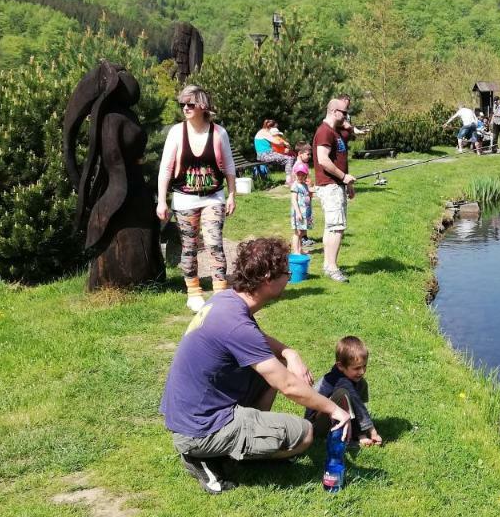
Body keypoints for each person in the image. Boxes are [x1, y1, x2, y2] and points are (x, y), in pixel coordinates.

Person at [160, 237, 352, 494]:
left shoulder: (228, 299)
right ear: (267, 279)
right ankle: (207, 455)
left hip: (193, 413)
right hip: (198, 428)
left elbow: (258, 342)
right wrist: (333, 410)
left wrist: (289, 352)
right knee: (304, 435)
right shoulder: (236, 324)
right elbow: (286, 384)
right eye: (286, 271)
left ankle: (251, 436)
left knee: (273, 365)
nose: (289, 275)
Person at [157, 85, 237, 312]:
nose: (185, 108)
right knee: (190, 247)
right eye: (182, 104)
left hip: (213, 196)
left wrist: (232, 195)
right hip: (184, 199)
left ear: (203, 105)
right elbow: (165, 168)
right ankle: (193, 292)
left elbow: (229, 166)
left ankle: (220, 293)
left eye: (190, 104)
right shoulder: (176, 132)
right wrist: (162, 200)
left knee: (213, 243)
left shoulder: (219, 133)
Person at [306, 336, 382, 447]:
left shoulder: (358, 381)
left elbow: (357, 407)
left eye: (364, 366)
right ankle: (345, 439)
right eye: (356, 368)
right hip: (317, 426)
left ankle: (355, 434)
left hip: (338, 417)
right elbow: (354, 404)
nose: (362, 371)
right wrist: (371, 431)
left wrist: (361, 435)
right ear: (340, 366)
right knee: (343, 393)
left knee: (359, 385)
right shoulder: (339, 380)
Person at [313, 97, 356, 283]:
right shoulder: (324, 132)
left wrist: (348, 184)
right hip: (329, 186)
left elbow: (340, 158)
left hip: (336, 185)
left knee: (332, 227)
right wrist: (343, 177)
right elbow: (323, 159)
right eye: (344, 112)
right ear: (333, 111)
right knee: (337, 228)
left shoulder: (335, 131)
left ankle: (327, 264)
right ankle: (332, 267)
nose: (346, 116)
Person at [289, 150, 313, 254]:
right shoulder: (295, 185)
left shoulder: (304, 185)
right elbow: (294, 199)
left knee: (302, 232)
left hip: (305, 212)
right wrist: (298, 212)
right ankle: (296, 251)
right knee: (297, 232)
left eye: (302, 174)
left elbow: (309, 195)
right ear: (296, 175)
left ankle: (300, 249)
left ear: (305, 175)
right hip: (299, 213)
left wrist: (311, 192)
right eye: (298, 174)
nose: (300, 176)